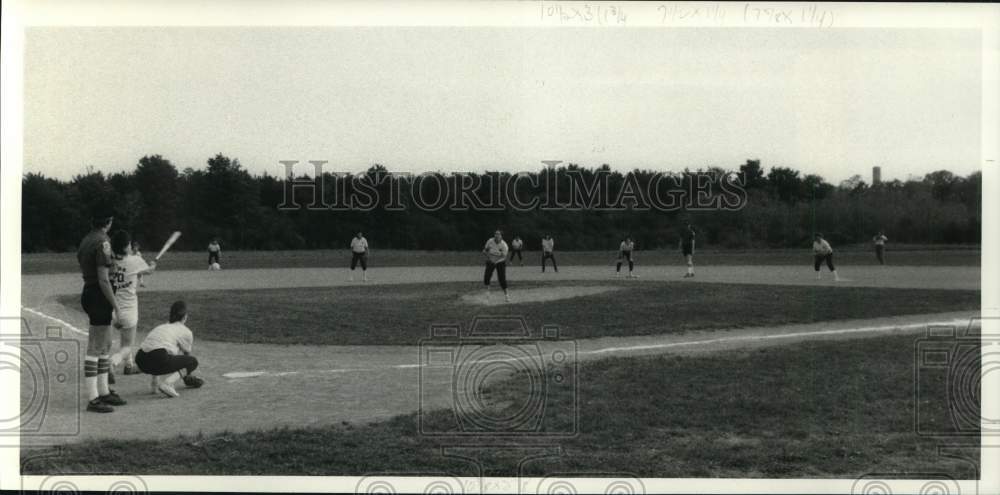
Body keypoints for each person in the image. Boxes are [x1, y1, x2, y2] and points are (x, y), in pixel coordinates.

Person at [77, 212, 126, 413]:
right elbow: (103, 279)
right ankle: (93, 398)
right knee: (96, 347)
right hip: (99, 295)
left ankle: (104, 391)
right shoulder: (103, 241)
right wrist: (116, 306)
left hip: (92, 292)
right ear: (108, 222)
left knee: (105, 345)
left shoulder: (87, 239)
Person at [109, 230, 157, 376]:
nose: (130, 246)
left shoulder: (109, 260)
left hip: (111, 310)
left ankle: (129, 366)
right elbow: (150, 271)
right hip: (128, 310)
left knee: (118, 341)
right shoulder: (135, 260)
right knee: (127, 346)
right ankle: (113, 362)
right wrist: (153, 265)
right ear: (125, 247)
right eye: (129, 244)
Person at [136, 301, 205, 398]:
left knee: (160, 353)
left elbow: (154, 349)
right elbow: (187, 358)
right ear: (185, 317)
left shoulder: (161, 327)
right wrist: (186, 376)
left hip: (140, 360)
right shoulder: (186, 332)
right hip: (158, 358)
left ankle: (154, 384)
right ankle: (168, 383)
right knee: (193, 362)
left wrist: (154, 382)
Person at [483, 229, 510, 303]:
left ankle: (506, 295)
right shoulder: (490, 241)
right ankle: (488, 293)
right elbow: (485, 251)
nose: (496, 235)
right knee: (486, 277)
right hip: (491, 260)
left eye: (498, 234)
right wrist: (489, 258)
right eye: (495, 234)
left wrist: (496, 261)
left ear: (501, 236)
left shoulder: (504, 245)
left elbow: (504, 257)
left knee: (502, 279)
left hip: (500, 261)